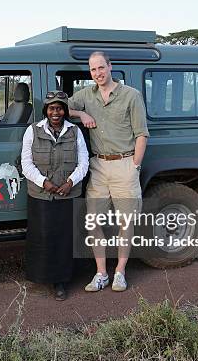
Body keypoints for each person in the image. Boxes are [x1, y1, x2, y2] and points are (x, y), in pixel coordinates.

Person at [69, 51, 149, 292]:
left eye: (101, 68)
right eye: (93, 70)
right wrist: (81, 113)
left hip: (125, 163)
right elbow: (60, 107)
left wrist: (135, 165)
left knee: (126, 222)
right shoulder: (86, 95)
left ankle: (120, 272)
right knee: (93, 219)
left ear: (110, 67)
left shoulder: (131, 95)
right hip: (99, 166)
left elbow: (141, 134)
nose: (98, 74)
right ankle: (101, 273)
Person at [21, 91, 89, 300]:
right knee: (43, 235)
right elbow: (26, 163)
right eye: (52, 108)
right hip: (41, 194)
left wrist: (70, 183)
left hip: (68, 193)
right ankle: (42, 277)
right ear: (46, 111)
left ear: (65, 111)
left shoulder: (75, 131)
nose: (56, 112)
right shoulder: (32, 131)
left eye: (59, 108)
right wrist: (45, 183)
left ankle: (61, 281)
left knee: (65, 237)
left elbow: (84, 162)